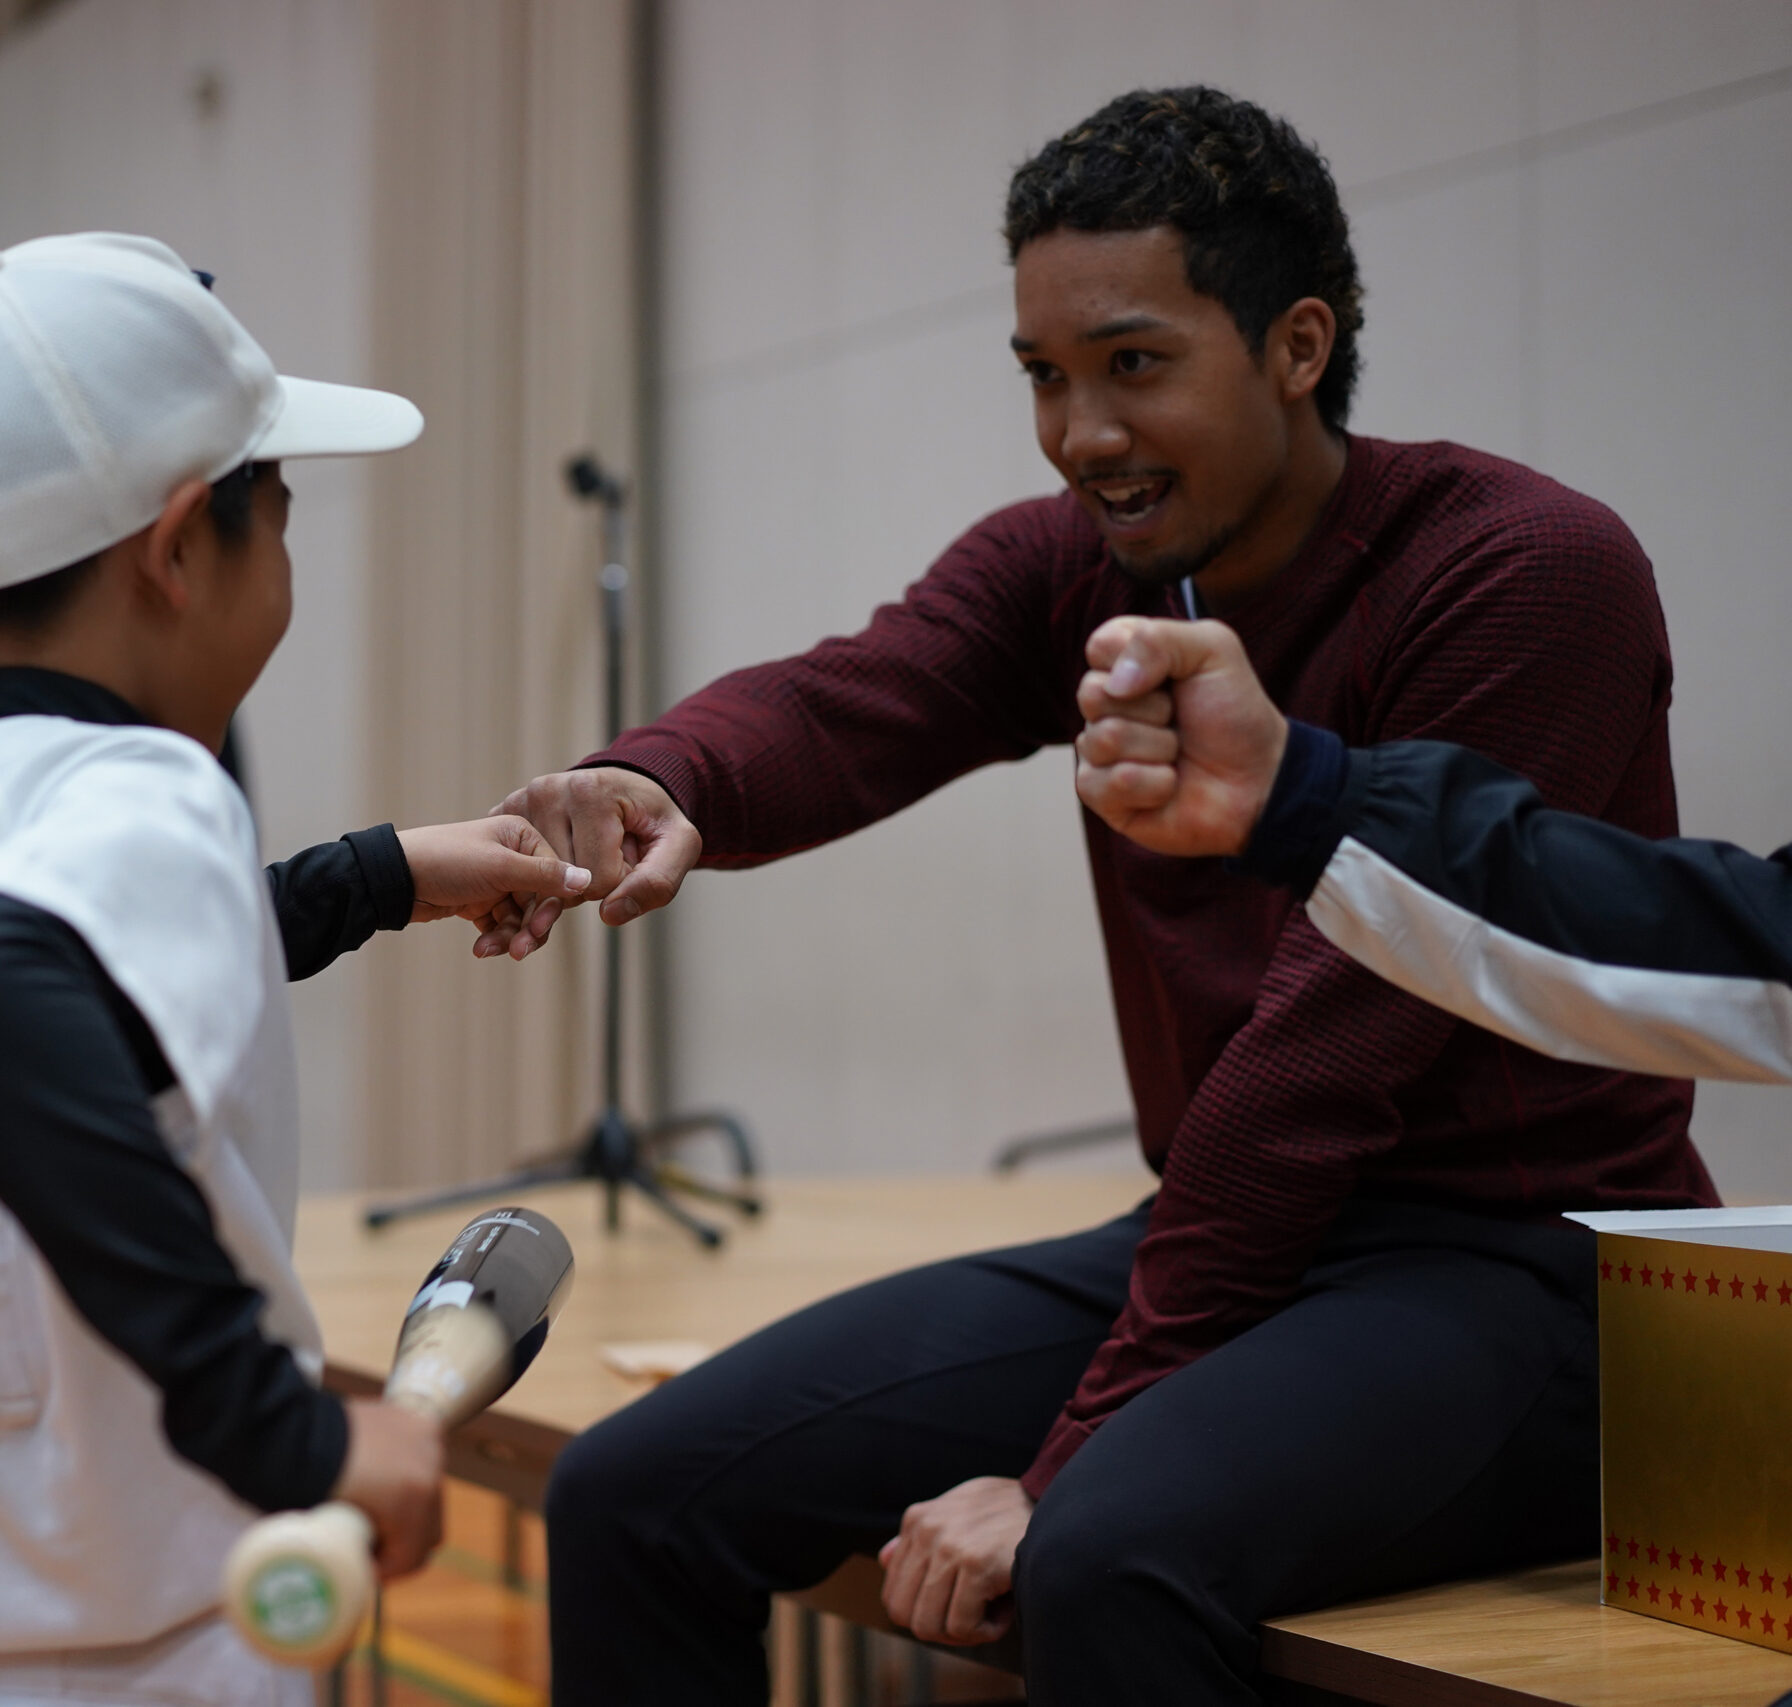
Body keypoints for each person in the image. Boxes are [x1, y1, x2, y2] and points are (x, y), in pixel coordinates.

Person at [494, 87, 1717, 1705]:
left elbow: (1318, 1066)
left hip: (1535, 1278)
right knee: (633, 1491)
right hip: (1249, 1246)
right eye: (1044, 376)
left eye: (1133, 364)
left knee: (1107, 1549)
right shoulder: (1077, 566)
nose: (1081, 433)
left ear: (1297, 344)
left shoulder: (1522, 571)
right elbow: (858, 696)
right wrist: (659, 778)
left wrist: (1063, 1461)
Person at [0, 233, 590, 1707]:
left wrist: (378, 875)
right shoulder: (150, 784)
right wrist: (290, 1431)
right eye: (283, 513)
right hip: (114, 1659)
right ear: (182, 546)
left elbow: (80, 978)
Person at [1074, 614, 1792, 1084]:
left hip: (1526, 1221)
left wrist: (1298, 799)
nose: (1092, 438)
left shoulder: (1527, 566)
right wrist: (1289, 794)